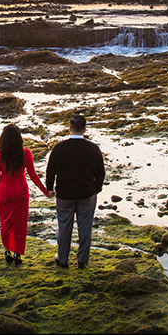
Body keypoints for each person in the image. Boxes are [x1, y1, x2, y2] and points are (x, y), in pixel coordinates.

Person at [45, 114, 104, 269]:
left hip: (65, 194)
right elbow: (100, 173)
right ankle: (82, 259)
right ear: (85, 129)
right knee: (85, 227)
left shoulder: (59, 148)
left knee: (64, 227)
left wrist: (49, 188)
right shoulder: (93, 148)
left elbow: (51, 171)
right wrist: (96, 189)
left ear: (69, 128)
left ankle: (62, 258)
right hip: (87, 194)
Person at [0, 123, 50, 266]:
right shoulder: (26, 153)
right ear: (19, 138)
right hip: (20, 191)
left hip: (4, 192)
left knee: (5, 223)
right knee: (19, 224)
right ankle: (17, 253)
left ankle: (7, 251)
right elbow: (33, 176)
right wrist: (46, 192)